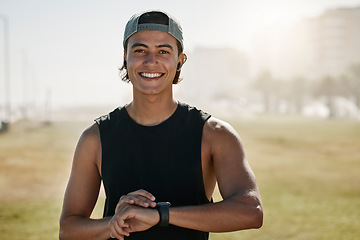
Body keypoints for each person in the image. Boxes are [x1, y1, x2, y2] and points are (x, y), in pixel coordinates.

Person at [59, 9, 263, 240]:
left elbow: (251, 211)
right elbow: (68, 229)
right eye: (140, 50)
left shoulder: (214, 134)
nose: (151, 60)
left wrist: (160, 215)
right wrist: (115, 223)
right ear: (125, 57)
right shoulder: (95, 138)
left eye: (163, 51)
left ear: (180, 60)